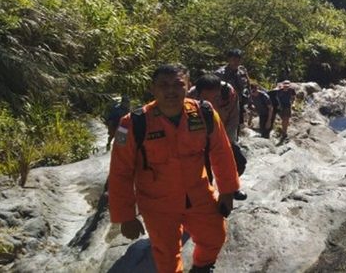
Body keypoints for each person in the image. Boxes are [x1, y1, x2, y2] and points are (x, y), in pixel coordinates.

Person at [108, 64, 240, 273]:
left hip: (199, 195)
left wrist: (227, 190)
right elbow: (120, 172)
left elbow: (221, 152)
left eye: (178, 84)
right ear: (153, 88)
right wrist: (125, 215)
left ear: (188, 86)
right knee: (166, 254)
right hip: (157, 203)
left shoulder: (204, 113)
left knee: (215, 236)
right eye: (163, 85)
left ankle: (202, 267)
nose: (171, 90)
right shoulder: (133, 123)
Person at [194, 74, 248, 201]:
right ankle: (208, 196)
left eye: (215, 96)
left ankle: (232, 188)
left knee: (238, 162)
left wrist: (228, 141)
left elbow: (235, 116)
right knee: (205, 169)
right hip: (200, 137)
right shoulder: (191, 95)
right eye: (207, 97)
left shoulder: (229, 92)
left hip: (224, 131)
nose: (211, 100)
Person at [215, 49, 251, 134]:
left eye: (239, 60)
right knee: (222, 126)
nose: (236, 62)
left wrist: (249, 101)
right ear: (229, 59)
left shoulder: (242, 72)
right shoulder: (220, 73)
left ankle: (234, 143)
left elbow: (247, 86)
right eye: (234, 59)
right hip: (224, 104)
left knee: (236, 125)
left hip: (239, 102)